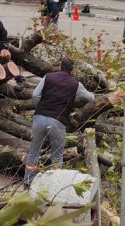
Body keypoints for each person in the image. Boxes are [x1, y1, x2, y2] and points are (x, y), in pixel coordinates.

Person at [23, 58, 94, 188]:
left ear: (60, 67)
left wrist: (40, 108)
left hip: (39, 118)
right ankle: (52, 186)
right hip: (57, 121)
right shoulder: (75, 84)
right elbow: (91, 98)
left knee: (33, 152)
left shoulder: (48, 77)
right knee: (56, 156)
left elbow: (35, 94)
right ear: (72, 70)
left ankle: (27, 183)